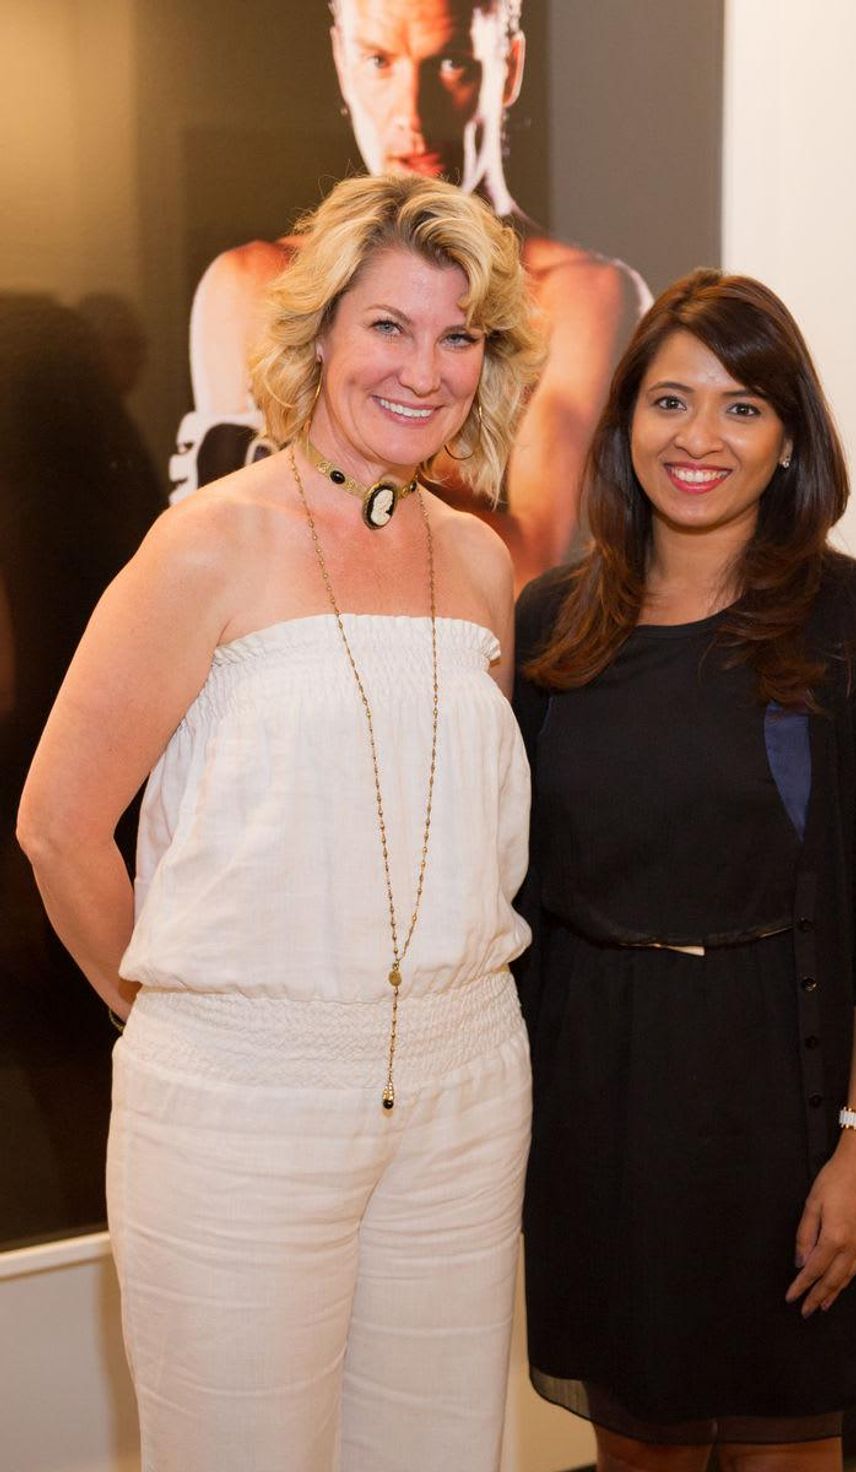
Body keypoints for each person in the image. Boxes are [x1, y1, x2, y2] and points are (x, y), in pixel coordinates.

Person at [18, 173, 541, 1471]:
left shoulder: (480, 561)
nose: (424, 369)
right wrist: (185, 1027)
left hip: (468, 1091)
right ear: (317, 336)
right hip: (240, 1107)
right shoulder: (204, 545)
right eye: (388, 326)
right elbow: (56, 828)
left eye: (458, 334)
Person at [512, 270, 856, 1471]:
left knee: (781, 1448)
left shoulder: (851, 623)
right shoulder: (550, 624)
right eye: (668, 401)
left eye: (742, 406)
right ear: (623, 424)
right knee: (633, 1449)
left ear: (789, 436)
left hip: (782, 1105)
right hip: (599, 1103)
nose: (698, 437)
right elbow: (515, 893)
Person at [175, 0, 651, 585]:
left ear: (511, 65)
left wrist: (327, 493)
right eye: (379, 60)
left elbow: (534, 569)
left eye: (451, 63)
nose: (412, 115)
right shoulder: (252, 282)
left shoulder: (583, 296)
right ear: (341, 63)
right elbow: (216, 563)